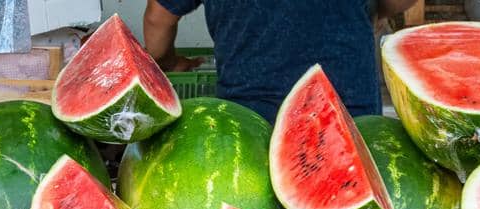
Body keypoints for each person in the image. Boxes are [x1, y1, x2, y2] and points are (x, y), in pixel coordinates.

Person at [143, 0, 417, 122]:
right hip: (348, 112)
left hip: (250, 119)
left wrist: (167, 61)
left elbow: (158, 19)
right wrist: (375, 10)